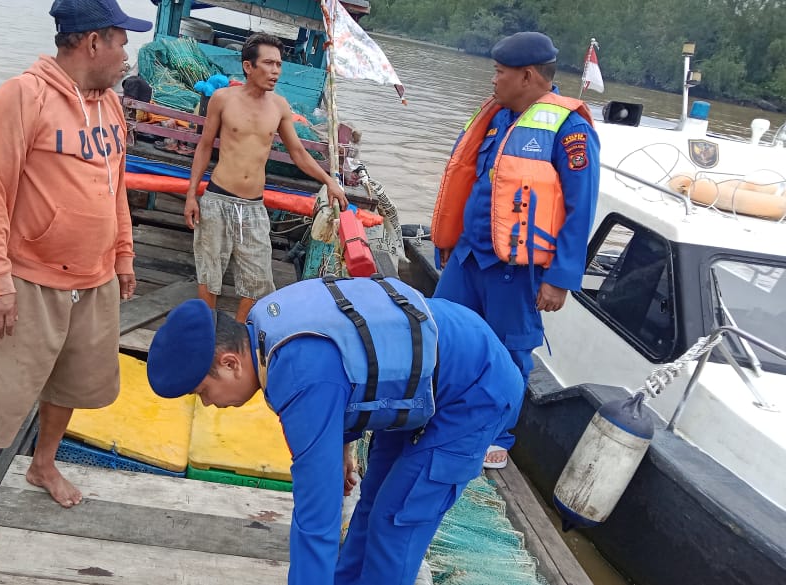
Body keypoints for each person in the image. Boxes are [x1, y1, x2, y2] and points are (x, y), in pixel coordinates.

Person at [146, 276, 524, 584]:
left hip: (472, 388)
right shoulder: (263, 324)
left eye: (204, 392)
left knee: (396, 520)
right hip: (416, 379)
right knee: (373, 500)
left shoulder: (298, 377)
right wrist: (343, 445)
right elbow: (347, 361)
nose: (210, 404)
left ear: (230, 363)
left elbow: (318, 518)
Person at [0, 0, 150, 546]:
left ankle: (43, 463)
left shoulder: (111, 105)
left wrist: (124, 254)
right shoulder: (22, 95)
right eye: (120, 41)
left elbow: (116, 187)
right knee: (2, 396)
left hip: (94, 281)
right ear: (92, 43)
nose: (125, 54)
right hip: (29, 280)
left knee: (70, 381)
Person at [428, 32, 600, 469]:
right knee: (441, 335)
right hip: (469, 256)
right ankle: (434, 413)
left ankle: (496, 436)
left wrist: (560, 278)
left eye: (499, 72)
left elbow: (581, 209)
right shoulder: (496, 117)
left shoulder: (570, 129)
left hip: (515, 268)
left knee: (509, 353)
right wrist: (448, 245)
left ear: (526, 76)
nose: (493, 79)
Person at [183, 33, 347, 322]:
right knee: (210, 275)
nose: (275, 71)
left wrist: (329, 181)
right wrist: (191, 195)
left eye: (279, 65)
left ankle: (236, 334)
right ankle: (207, 334)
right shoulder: (222, 99)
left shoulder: (279, 107)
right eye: (268, 63)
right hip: (217, 199)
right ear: (248, 66)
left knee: (258, 282)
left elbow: (297, 152)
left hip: (254, 207)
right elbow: (205, 146)